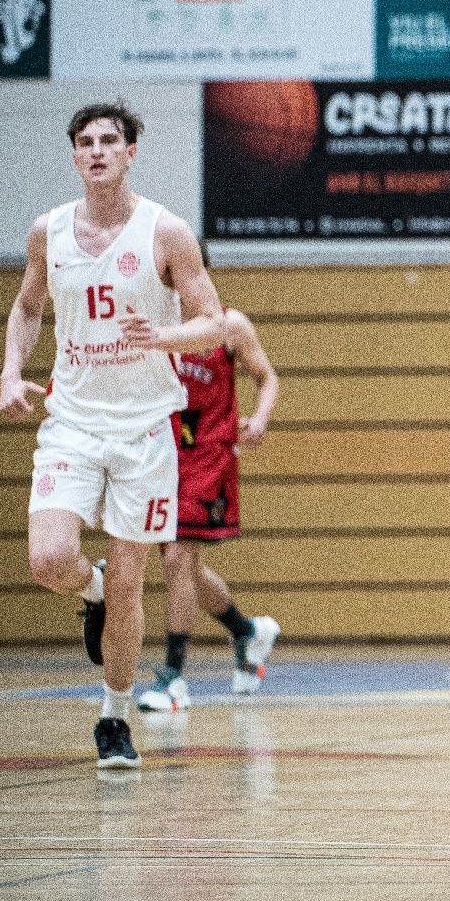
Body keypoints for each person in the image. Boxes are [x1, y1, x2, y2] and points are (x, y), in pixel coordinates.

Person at [0, 102, 225, 770]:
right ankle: (86, 588)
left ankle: (114, 717)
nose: (96, 151)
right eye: (84, 142)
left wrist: (161, 334)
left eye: (108, 141)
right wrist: (13, 370)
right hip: (71, 419)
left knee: (132, 579)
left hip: (144, 429)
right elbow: (27, 306)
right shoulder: (50, 231)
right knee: (48, 560)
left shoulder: (166, 232)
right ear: (74, 156)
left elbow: (212, 320)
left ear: (130, 153)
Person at [137, 291, 282, 714]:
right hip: (164, 454)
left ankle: (173, 678)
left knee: (179, 557)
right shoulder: (156, 325)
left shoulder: (229, 324)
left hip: (210, 455)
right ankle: (246, 631)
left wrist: (259, 419)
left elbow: (267, 377)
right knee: (183, 565)